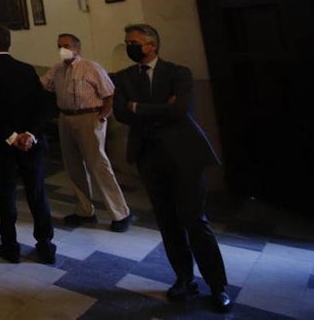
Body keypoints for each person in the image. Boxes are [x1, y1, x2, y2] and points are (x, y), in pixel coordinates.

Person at [114, 24, 231, 313]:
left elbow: (180, 110)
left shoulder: (178, 73)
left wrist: (138, 107)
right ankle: (184, 278)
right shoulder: (124, 77)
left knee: (194, 219)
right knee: (167, 221)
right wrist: (156, 108)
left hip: (183, 155)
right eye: (127, 41)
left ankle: (218, 285)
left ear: (151, 45)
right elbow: (119, 112)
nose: (129, 45)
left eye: (134, 42)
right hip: (149, 156)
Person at [42, 33, 132, 231]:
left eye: (66, 45)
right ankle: (84, 210)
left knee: (98, 165)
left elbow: (109, 94)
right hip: (66, 118)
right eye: (59, 46)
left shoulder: (91, 67)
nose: (62, 49)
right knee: (73, 166)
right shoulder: (57, 70)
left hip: (89, 117)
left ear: (77, 48)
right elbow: (43, 85)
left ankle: (120, 212)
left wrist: (101, 117)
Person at [0, 26, 55, 265]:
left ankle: (10, 246)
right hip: (30, 144)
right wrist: (30, 134)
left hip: (3, 145)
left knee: (7, 194)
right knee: (37, 193)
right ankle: (45, 245)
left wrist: (12, 136)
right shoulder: (27, 70)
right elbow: (41, 106)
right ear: (9, 43)